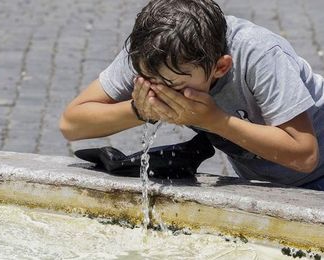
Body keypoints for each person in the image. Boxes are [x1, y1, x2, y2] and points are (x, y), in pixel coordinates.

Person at [59, 0, 324, 191]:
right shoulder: (151, 52)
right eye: (150, 81)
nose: (160, 90)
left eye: (173, 84)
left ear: (221, 67)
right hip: (269, 186)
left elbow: (304, 155)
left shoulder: (260, 55)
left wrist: (215, 121)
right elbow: (71, 125)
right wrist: (140, 110)